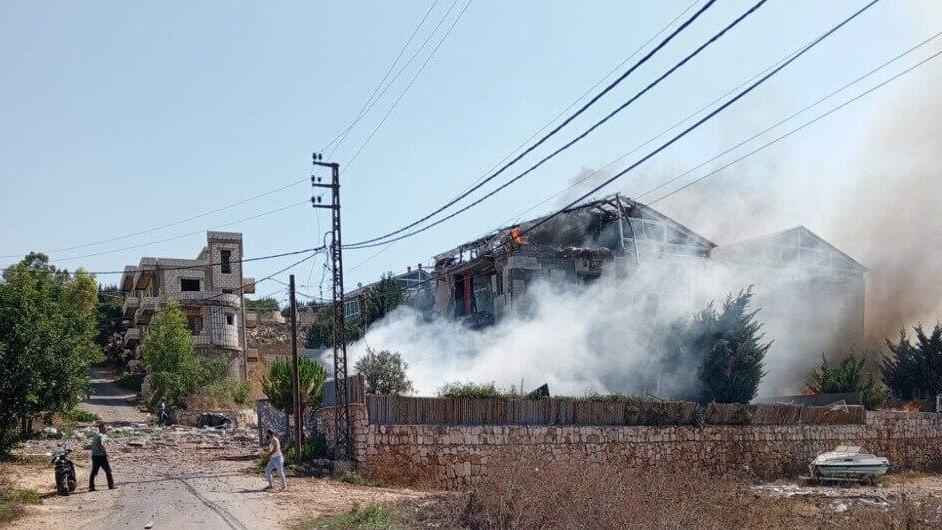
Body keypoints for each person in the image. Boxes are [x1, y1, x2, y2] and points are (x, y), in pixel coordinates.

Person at [89, 423, 115, 491]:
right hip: (100, 456)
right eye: (104, 428)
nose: (105, 429)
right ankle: (111, 486)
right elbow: (101, 445)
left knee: (94, 472)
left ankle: (91, 487)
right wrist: (105, 453)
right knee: (108, 471)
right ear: (100, 429)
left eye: (105, 428)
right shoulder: (101, 436)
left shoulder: (96, 436)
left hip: (94, 456)